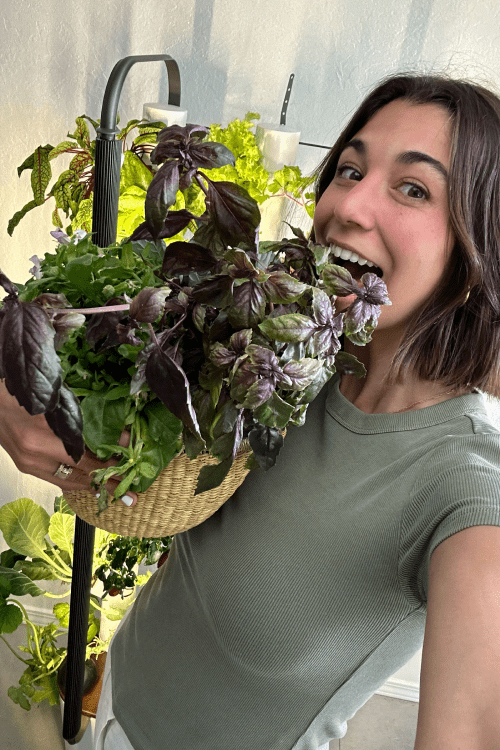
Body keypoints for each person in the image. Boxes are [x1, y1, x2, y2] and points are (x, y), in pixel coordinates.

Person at [2, 72, 500, 749]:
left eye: (413, 188)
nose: (349, 205)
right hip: (118, 701)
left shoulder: (466, 486)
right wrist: (23, 391)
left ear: (478, 254)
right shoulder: (278, 330)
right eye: (349, 170)